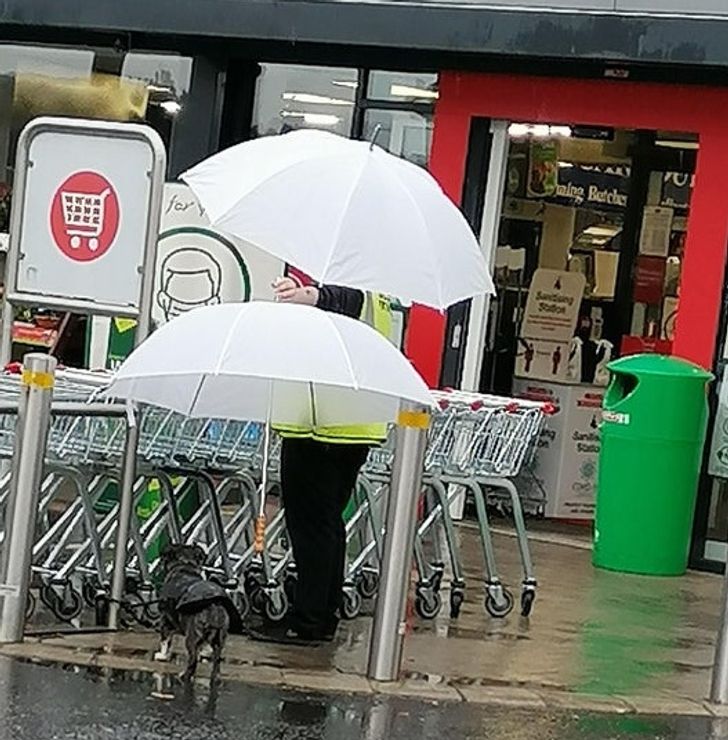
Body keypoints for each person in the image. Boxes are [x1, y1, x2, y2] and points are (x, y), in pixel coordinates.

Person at [249, 275, 390, 645]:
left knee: (310, 528)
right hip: (352, 428)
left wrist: (306, 296)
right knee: (328, 525)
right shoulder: (381, 298)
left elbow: (340, 299)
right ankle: (322, 617)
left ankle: (307, 621)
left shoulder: (354, 287)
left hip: (319, 427)